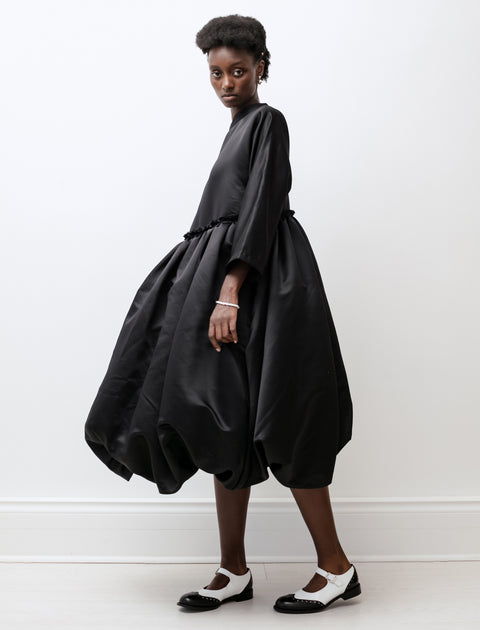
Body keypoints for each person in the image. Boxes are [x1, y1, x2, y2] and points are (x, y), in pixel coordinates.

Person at [84, 14, 361, 614]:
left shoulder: (266, 121)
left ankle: (337, 567)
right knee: (222, 418)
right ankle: (233, 568)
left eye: (238, 70)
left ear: (261, 66)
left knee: (285, 415)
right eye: (216, 73)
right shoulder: (234, 129)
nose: (227, 83)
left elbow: (261, 205)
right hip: (226, 282)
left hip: (263, 284)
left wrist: (229, 288)